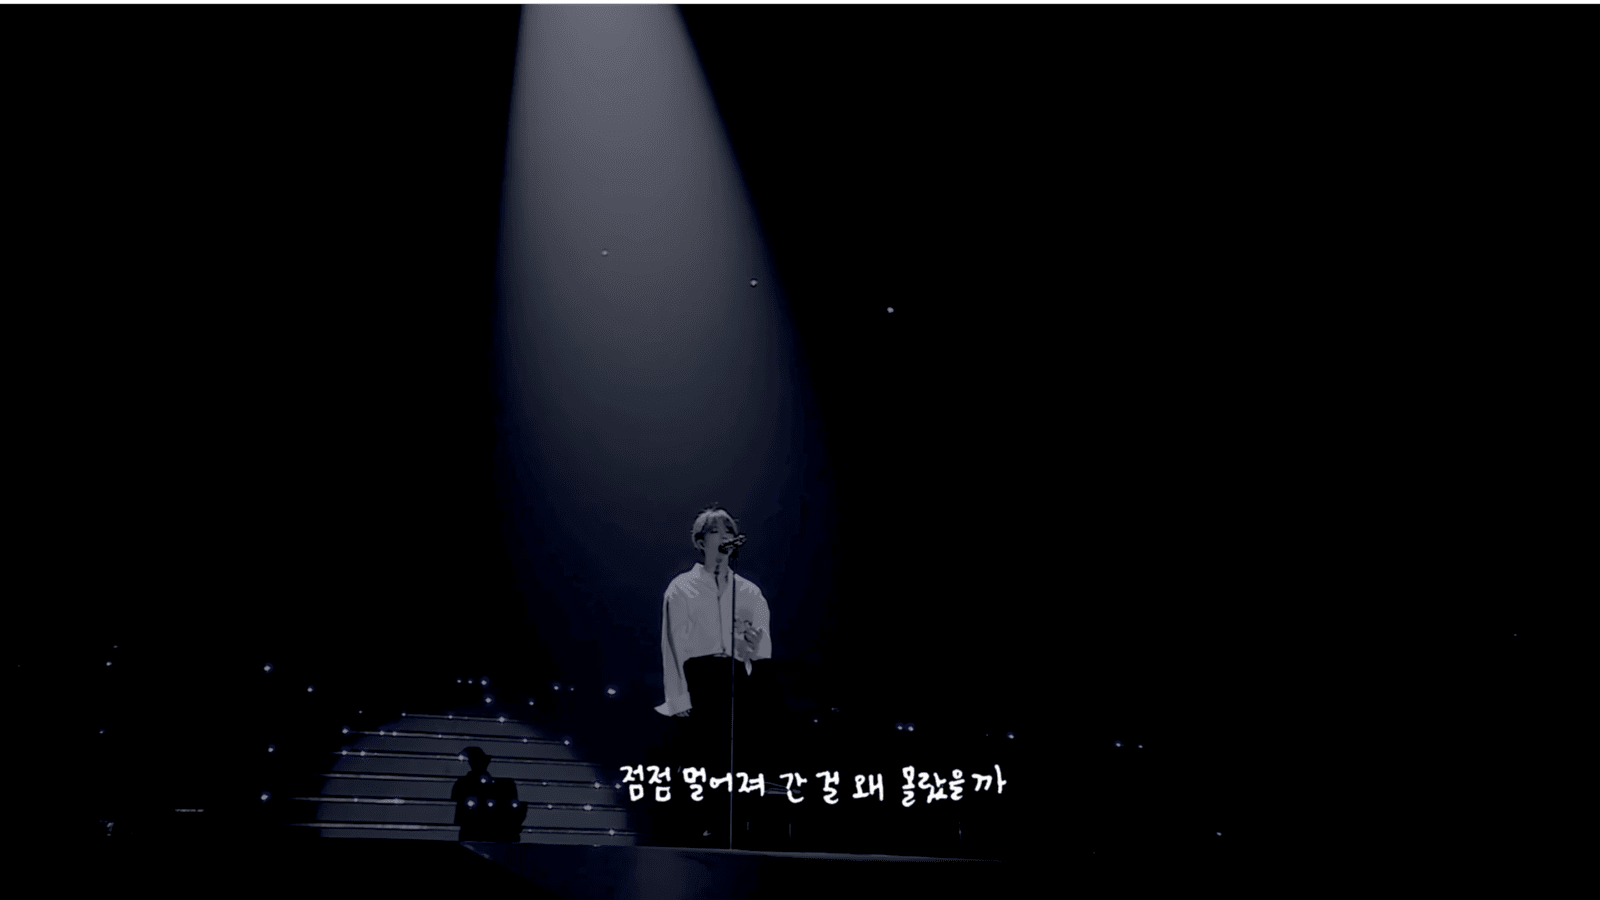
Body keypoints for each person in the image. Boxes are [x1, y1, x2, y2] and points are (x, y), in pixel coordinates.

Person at [655, 506, 775, 844]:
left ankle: (733, 828)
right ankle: (697, 827)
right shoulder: (682, 588)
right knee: (700, 758)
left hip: (736, 678)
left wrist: (752, 645)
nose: (724, 535)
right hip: (700, 676)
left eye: (729, 530)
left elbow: (764, 645)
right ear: (700, 541)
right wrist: (678, 696)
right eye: (715, 530)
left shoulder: (749, 592)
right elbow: (672, 644)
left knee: (737, 759)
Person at [451, 747, 525, 842]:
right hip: (477, 830)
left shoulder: (464, 783)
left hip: (481, 831)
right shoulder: (464, 783)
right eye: (475, 761)